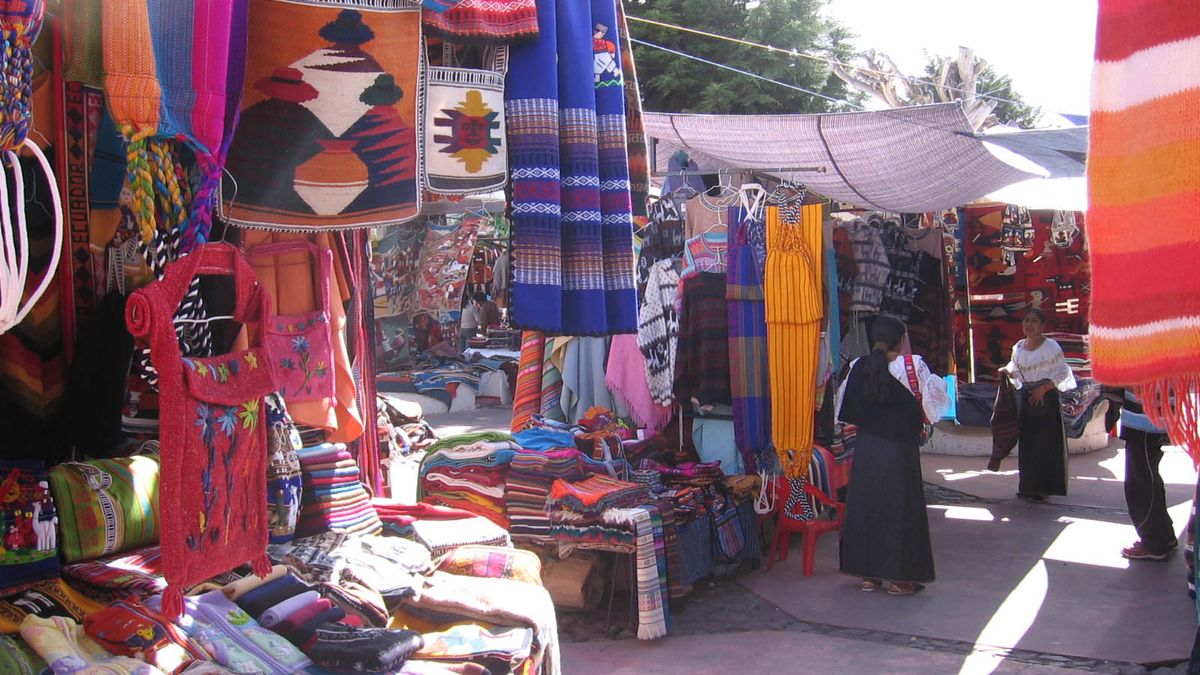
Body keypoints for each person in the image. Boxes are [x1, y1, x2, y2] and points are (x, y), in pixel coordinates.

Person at [836, 315, 950, 595]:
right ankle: (901, 580)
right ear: (901, 340)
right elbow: (936, 410)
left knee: (867, 508)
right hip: (899, 452)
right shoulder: (913, 366)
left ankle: (869, 577)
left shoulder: (857, 367)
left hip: (867, 450)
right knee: (901, 511)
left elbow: (843, 409)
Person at [1000, 308, 1076, 502]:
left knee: (1046, 443)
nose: (1030, 325)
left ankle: (1044, 487)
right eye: (1027, 320)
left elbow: (1061, 372)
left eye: (1034, 321)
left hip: (1046, 397)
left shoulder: (1051, 347)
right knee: (1028, 442)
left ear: (1042, 326)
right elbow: (1015, 368)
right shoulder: (1018, 347)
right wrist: (1007, 371)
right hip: (1027, 397)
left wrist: (1044, 389)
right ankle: (1028, 486)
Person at [1120, 389, 1177, 560]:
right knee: (1148, 478)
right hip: (1146, 416)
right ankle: (1163, 534)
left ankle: (1153, 541)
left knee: (1140, 481)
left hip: (1146, 419)